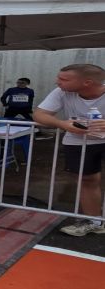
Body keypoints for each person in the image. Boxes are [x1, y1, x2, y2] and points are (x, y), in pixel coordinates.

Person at [33, 64, 105, 237]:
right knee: (87, 180)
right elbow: (39, 114)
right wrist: (62, 124)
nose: (57, 82)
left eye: (64, 79)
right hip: (79, 142)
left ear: (87, 82)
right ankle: (94, 222)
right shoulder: (61, 92)